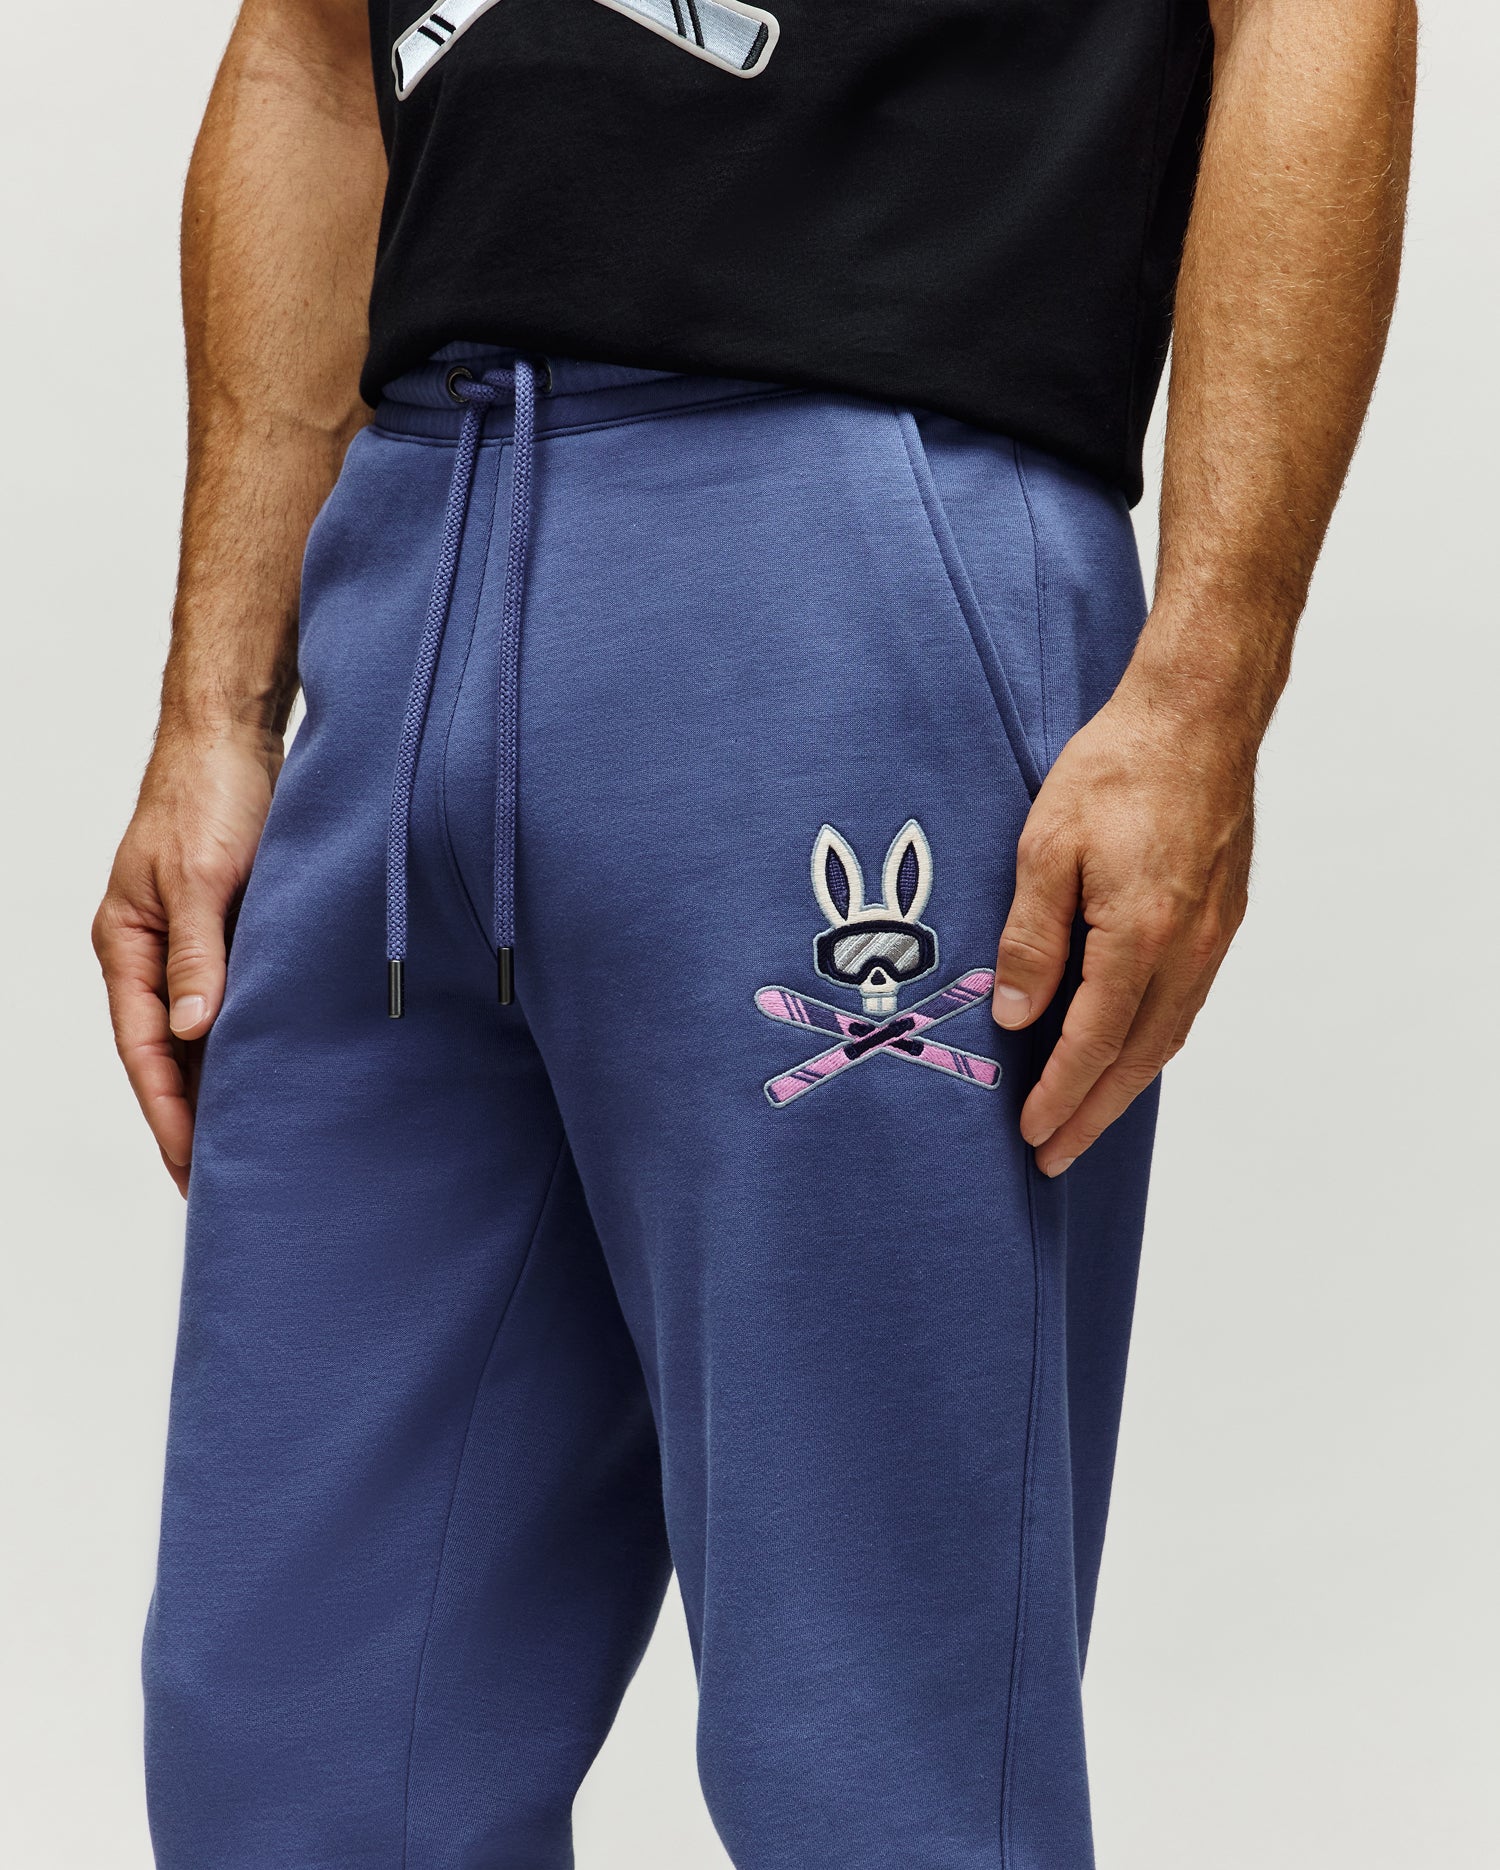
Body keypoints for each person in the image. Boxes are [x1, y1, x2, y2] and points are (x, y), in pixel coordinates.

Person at [92, 1, 1416, 1863]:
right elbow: (309, 53)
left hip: (850, 558)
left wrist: (1208, 683)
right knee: (292, 1754)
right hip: (406, 569)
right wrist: (216, 710)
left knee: (876, 1767)